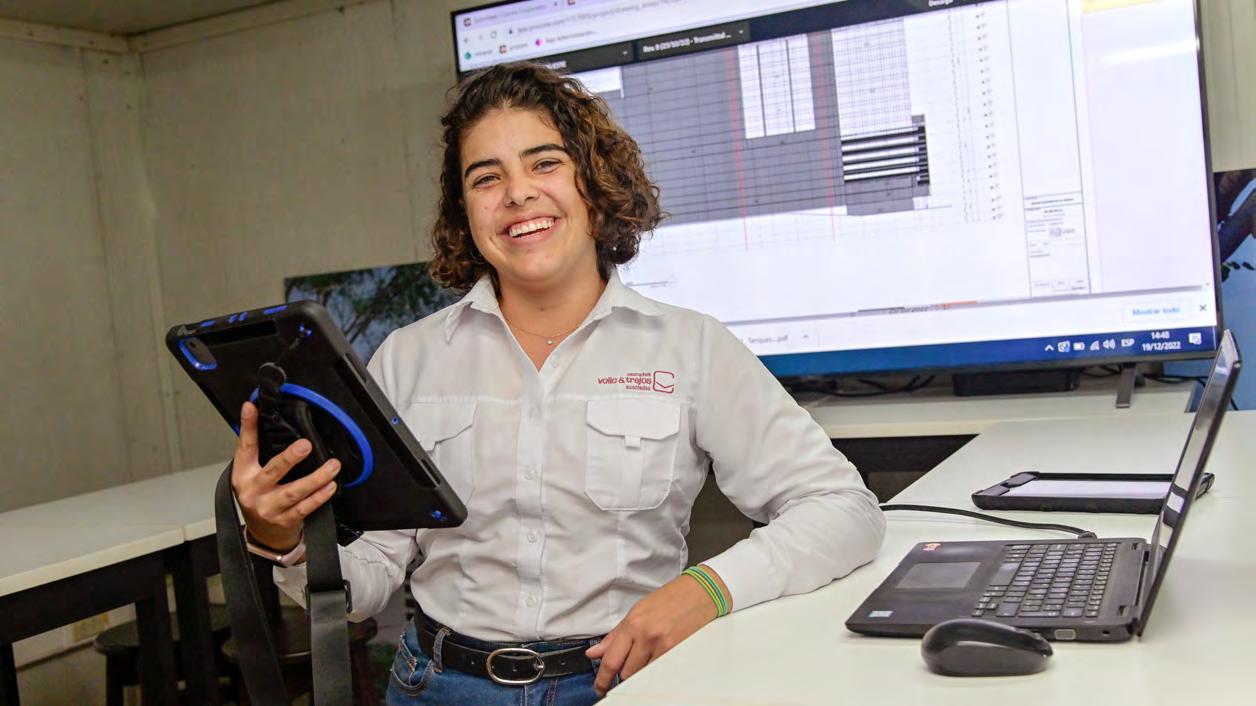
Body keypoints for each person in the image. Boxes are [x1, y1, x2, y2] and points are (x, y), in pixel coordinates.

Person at [230, 62, 885, 706]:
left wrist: (706, 589)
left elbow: (842, 509)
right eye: (487, 178)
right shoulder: (409, 357)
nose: (517, 194)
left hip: (629, 684)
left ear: (594, 183)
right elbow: (369, 572)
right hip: (437, 688)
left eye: (544, 163)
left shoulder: (692, 347)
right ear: (465, 211)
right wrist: (284, 538)